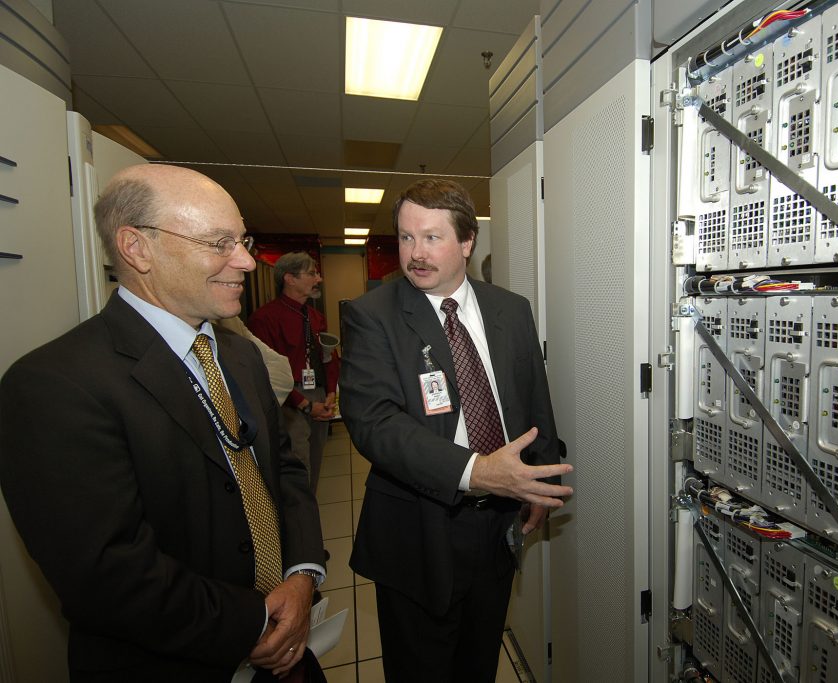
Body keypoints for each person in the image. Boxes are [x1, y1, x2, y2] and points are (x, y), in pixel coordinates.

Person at [0, 164, 325, 682]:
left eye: (242, 240)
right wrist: (256, 620)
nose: (244, 260)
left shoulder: (239, 357)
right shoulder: (55, 384)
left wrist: (303, 575)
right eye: (220, 242)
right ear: (137, 248)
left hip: (285, 650)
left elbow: (283, 470)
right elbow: (109, 575)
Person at [340, 178, 574, 682]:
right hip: (419, 530)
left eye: (431, 237)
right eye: (405, 238)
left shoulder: (510, 309)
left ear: (467, 242)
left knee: (478, 661)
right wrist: (479, 471)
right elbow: (374, 423)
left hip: (496, 527)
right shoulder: (371, 316)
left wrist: (538, 483)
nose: (415, 254)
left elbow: (535, 401)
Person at [247, 252, 339, 493]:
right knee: (298, 466)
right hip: (289, 401)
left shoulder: (316, 317)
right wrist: (304, 405)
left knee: (315, 462)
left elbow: (329, 357)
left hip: (317, 394)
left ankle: (306, 512)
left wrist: (330, 393)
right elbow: (267, 374)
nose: (318, 279)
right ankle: (298, 521)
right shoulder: (264, 319)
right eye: (311, 274)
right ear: (290, 278)